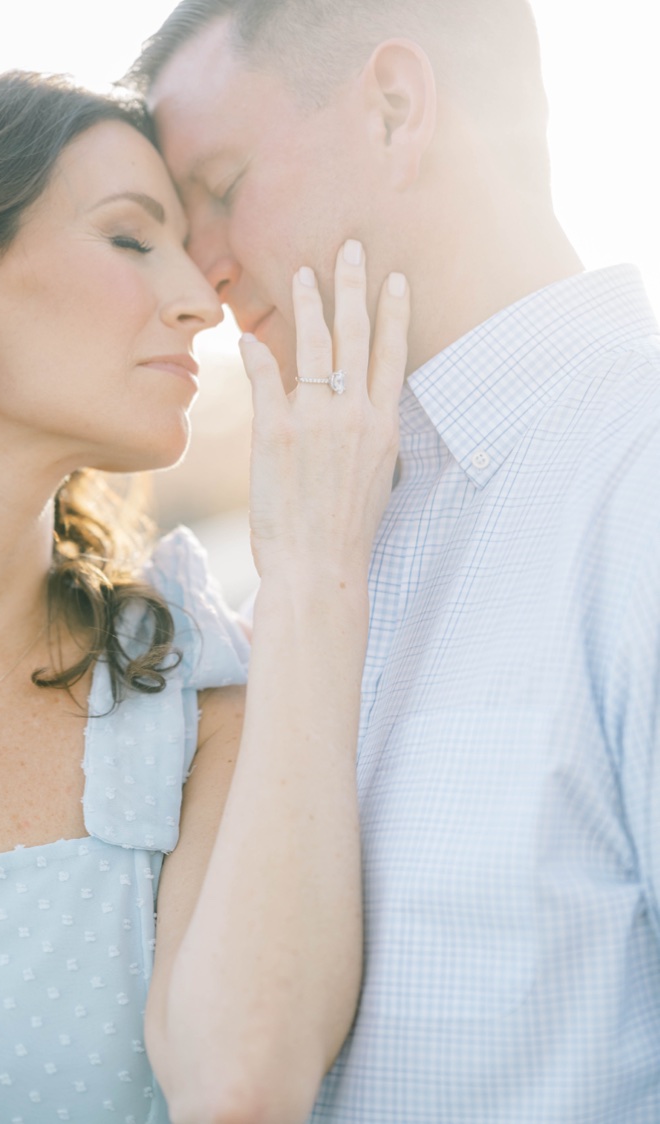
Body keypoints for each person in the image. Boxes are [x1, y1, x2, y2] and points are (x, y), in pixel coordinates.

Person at [127, 2, 660, 1120]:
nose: (202, 268)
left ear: (394, 107)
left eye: (221, 187)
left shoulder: (635, 483)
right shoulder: (323, 526)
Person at [0, 72, 409, 1122]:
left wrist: (315, 570)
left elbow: (243, 1083)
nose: (202, 295)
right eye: (133, 239)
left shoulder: (180, 686)